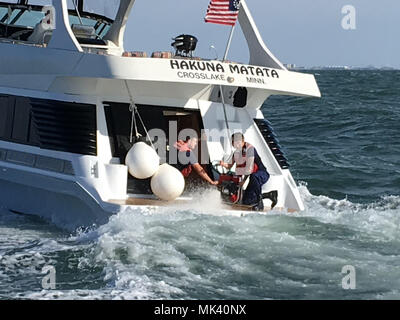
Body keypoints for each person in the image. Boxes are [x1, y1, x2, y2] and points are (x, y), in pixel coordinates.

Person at [220, 133, 277, 210]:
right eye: (234, 142)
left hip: (262, 174)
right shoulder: (236, 153)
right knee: (247, 201)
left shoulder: (250, 149)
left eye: (238, 142)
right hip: (252, 178)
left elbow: (250, 168)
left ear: (243, 141)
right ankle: (270, 195)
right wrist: (223, 164)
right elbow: (229, 166)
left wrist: (243, 181)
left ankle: (259, 203)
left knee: (254, 177)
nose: (236, 145)